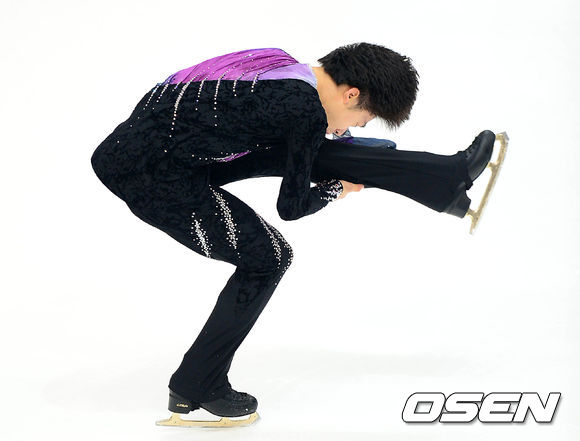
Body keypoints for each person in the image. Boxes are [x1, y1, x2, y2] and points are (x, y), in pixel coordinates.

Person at [90, 43, 496, 427]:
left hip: (171, 151)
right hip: (148, 174)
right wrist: (337, 188)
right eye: (362, 118)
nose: (351, 127)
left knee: (329, 150)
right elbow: (292, 207)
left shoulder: (282, 69)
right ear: (351, 94)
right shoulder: (303, 110)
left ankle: (446, 179)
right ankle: (195, 386)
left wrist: (351, 158)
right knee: (269, 258)